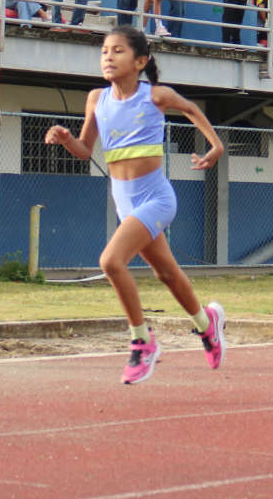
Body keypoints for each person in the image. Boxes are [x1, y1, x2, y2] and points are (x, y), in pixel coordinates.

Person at [43, 25, 227, 385]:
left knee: (110, 262)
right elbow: (84, 150)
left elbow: (191, 110)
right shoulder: (98, 99)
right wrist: (66, 139)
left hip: (156, 199)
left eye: (117, 51)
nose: (108, 57)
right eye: (104, 52)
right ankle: (207, 325)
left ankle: (142, 341)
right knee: (167, 274)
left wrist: (215, 146)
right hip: (125, 202)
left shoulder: (155, 96)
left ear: (140, 61)